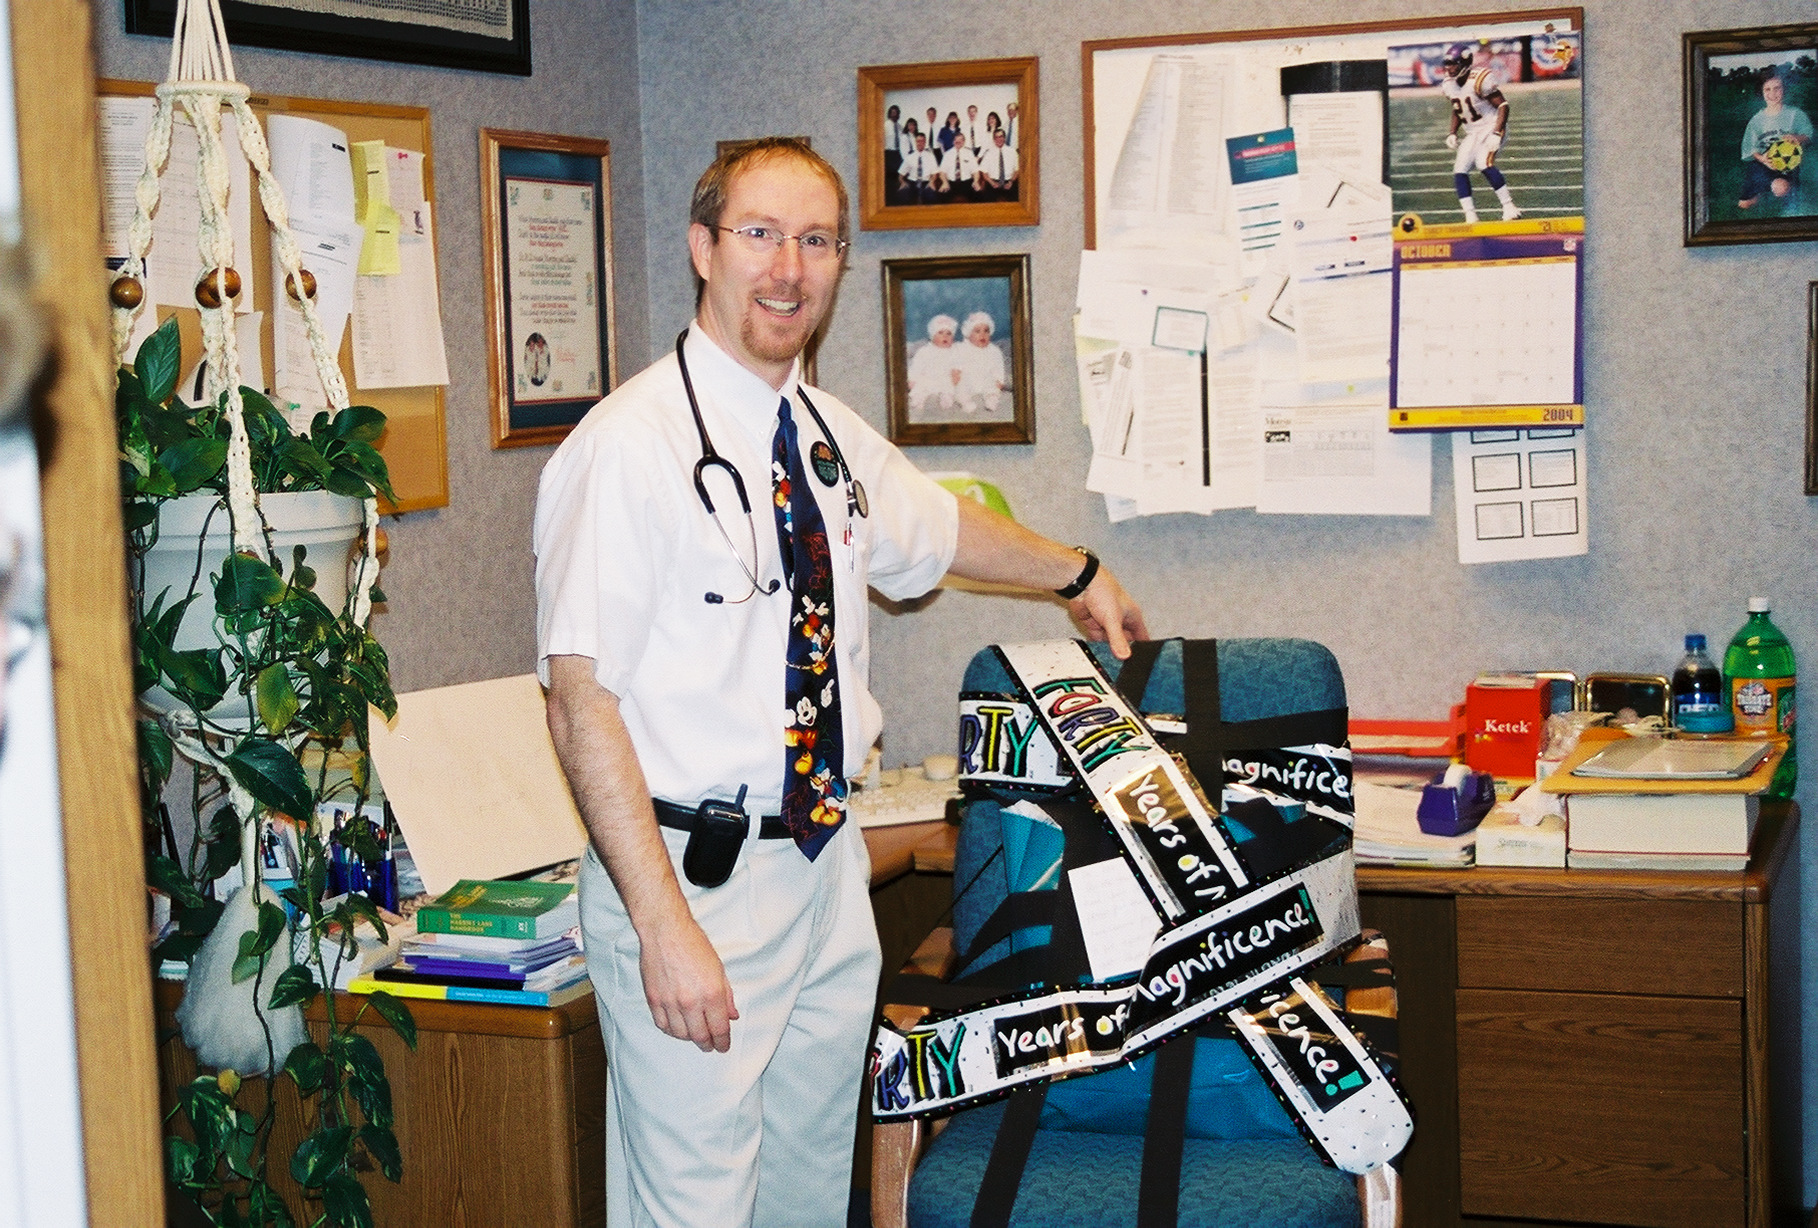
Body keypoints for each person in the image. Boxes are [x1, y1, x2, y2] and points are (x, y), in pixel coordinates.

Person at [533, 137, 1147, 1228]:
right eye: (761, 234)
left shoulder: (821, 434)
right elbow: (580, 701)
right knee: (695, 1209)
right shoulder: (628, 447)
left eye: (816, 241)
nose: (789, 269)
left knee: (808, 1199)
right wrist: (664, 927)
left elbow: (939, 528)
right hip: (693, 882)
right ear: (703, 249)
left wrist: (1076, 571)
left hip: (821, 866)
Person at [1438, 42, 1520, 223]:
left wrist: (1496, 133)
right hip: (1473, 132)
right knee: (1460, 169)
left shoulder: (1479, 79)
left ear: (1465, 63)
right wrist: (1452, 132)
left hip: (1491, 126)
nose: (1449, 68)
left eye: (1453, 64)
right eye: (1447, 64)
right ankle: (1470, 215)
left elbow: (1503, 105)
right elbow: (1457, 107)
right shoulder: (1449, 84)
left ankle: (1509, 207)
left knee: (1484, 162)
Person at [1738, 71, 1813, 210]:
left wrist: (1797, 138)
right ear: (1761, 92)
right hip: (1763, 163)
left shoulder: (1795, 114)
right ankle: (1763, 192)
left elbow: (1808, 134)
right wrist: (1762, 159)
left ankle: (1780, 188)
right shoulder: (1756, 120)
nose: (1772, 93)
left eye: (1777, 88)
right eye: (1767, 89)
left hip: (1787, 163)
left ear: (1784, 89)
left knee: (1781, 189)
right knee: (1744, 205)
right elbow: (1751, 148)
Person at [906, 314, 964, 413]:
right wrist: (912, 379)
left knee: (949, 385)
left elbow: (958, 362)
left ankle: (946, 397)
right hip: (928, 377)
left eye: (949, 333)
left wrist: (957, 372)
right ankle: (918, 399)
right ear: (932, 336)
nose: (945, 336)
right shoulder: (925, 351)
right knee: (920, 385)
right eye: (940, 333)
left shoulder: (954, 351)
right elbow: (916, 366)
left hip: (945, 378)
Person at [957, 311, 1007, 413]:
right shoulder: (961, 348)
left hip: (985, 379)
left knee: (992, 386)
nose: (982, 335)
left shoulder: (994, 350)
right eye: (977, 331)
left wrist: (1000, 380)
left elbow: (998, 366)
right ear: (968, 334)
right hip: (967, 379)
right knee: (960, 387)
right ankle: (966, 402)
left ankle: (992, 400)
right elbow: (954, 363)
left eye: (986, 331)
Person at [898, 130, 941, 205]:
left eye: (922, 141)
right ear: (915, 142)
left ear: (925, 142)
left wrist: (932, 182)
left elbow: (935, 173)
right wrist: (902, 182)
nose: (920, 143)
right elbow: (901, 174)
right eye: (918, 141)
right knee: (903, 195)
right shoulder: (909, 157)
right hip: (912, 182)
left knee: (931, 196)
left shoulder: (930, 156)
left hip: (926, 182)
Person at [978, 126, 1020, 201]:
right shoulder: (988, 153)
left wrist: (1011, 181)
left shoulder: (1012, 152)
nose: (999, 139)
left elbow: (1017, 170)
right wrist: (991, 182)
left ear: (1004, 138)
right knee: (986, 202)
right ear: (994, 139)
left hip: (1009, 182)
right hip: (993, 183)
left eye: (1001, 136)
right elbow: (984, 172)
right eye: (996, 137)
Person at [934, 134, 978, 203]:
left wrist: (975, 181)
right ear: (953, 141)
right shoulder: (947, 154)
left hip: (966, 183)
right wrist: (945, 182)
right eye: (956, 140)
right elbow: (942, 172)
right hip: (951, 183)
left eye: (960, 140)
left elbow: (975, 171)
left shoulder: (969, 153)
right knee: (941, 194)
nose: (958, 141)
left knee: (978, 194)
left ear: (964, 141)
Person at [883, 104, 903, 194]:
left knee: (897, 175)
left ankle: (896, 194)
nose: (895, 115)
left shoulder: (900, 127)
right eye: (893, 113)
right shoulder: (885, 126)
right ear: (889, 114)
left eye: (897, 113)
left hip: (898, 153)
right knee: (889, 176)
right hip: (888, 153)